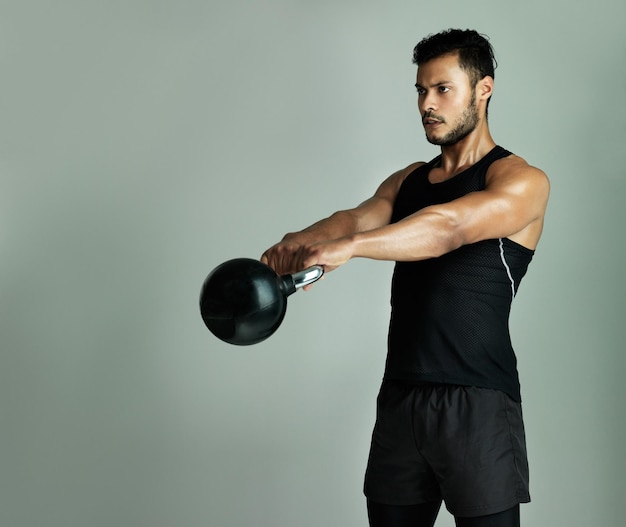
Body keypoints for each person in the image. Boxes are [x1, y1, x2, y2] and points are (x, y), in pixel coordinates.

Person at [261, 28, 549, 527]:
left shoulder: (520, 181)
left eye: (443, 89)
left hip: (476, 400)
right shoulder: (409, 180)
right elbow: (353, 218)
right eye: (421, 90)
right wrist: (301, 241)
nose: (427, 104)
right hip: (401, 398)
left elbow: (450, 227)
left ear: (484, 89)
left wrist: (346, 250)